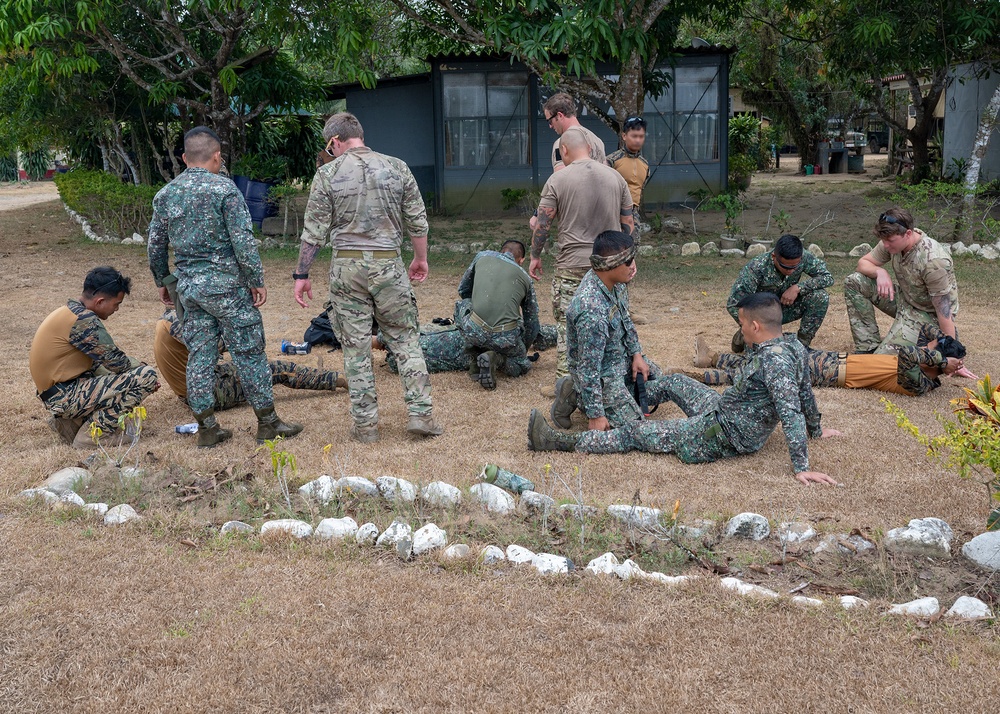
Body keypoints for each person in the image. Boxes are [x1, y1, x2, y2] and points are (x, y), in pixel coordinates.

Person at [528, 292, 842, 486]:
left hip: (723, 432)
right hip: (723, 409)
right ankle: (610, 400)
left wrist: (802, 466)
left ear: (756, 327)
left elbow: (791, 410)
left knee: (638, 433)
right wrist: (817, 429)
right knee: (674, 382)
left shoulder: (776, 361)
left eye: (743, 324)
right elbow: (804, 393)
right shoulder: (792, 346)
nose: (741, 330)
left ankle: (558, 442)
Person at [148, 125, 302, 448]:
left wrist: (164, 281)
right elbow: (243, 242)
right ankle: (268, 422)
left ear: (184, 158)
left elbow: (155, 247)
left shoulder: (165, 196)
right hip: (228, 289)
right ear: (216, 157)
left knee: (200, 356)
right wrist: (256, 280)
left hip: (190, 289)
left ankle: (206, 428)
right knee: (248, 351)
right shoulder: (226, 191)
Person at [293, 111, 442, 444]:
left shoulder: (327, 173)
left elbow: (313, 233)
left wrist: (302, 273)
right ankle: (421, 415)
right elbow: (418, 221)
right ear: (359, 134)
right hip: (389, 264)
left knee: (355, 348)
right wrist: (420, 258)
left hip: (347, 268)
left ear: (334, 142)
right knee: (405, 341)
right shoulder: (397, 167)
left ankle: (366, 426)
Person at [530, 127, 634, 390]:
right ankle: (613, 382)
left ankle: (566, 385)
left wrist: (534, 256)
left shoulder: (558, 180)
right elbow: (628, 225)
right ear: (589, 148)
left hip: (571, 264)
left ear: (563, 150)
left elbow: (542, 225)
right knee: (613, 323)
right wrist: (628, 259)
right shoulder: (616, 178)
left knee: (567, 326)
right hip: (610, 266)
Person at [30, 266, 159, 449]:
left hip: (57, 392)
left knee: (106, 372)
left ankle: (71, 426)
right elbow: (117, 362)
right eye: (116, 304)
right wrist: (141, 368)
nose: (117, 309)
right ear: (99, 301)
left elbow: (98, 363)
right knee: (147, 375)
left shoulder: (69, 312)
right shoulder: (84, 321)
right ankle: (94, 435)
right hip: (64, 396)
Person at [551, 230, 668, 430]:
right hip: (602, 374)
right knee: (635, 428)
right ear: (608, 265)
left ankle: (586, 392)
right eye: (628, 262)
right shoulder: (591, 309)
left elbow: (626, 323)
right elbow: (588, 369)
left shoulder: (616, 282)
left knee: (657, 378)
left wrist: (637, 355)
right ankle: (576, 394)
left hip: (619, 360)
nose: (634, 267)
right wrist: (596, 414)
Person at [844, 209, 970, 377]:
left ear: (908, 233)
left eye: (890, 241)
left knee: (881, 365)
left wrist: (952, 356)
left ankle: (934, 340)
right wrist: (880, 272)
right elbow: (863, 263)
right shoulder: (892, 240)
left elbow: (944, 312)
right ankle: (868, 347)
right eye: (884, 240)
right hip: (906, 300)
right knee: (855, 281)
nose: (886, 245)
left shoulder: (933, 260)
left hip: (929, 316)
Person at [689, 324, 968, 396]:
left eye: (934, 349)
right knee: (782, 348)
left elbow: (909, 352)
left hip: (834, 372)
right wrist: (944, 347)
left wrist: (944, 362)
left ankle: (708, 375)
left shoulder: (919, 383)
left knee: (770, 364)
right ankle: (713, 358)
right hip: (835, 360)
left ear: (938, 363)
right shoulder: (927, 365)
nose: (927, 345)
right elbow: (926, 332)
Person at [154, 310, 347, 409]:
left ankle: (326, 375)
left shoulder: (169, 318)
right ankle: (340, 380)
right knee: (276, 369)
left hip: (199, 386)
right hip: (206, 393)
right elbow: (213, 346)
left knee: (260, 365)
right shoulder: (176, 320)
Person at [455, 239, 540, 389]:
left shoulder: (482, 256)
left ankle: (474, 353)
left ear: (501, 250)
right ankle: (498, 360)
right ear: (522, 260)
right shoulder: (526, 278)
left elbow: (463, 290)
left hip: (474, 329)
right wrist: (522, 347)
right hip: (505, 337)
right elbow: (532, 323)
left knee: (461, 305)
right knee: (522, 366)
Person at [726, 233, 832, 352]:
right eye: (785, 267)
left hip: (785, 307)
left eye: (795, 267)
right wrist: (751, 325)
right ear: (774, 256)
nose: (791, 271)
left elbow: (827, 277)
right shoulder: (756, 267)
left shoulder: (803, 256)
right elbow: (733, 304)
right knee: (760, 357)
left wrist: (798, 288)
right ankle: (744, 337)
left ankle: (802, 346)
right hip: (760, 315)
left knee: (820, 297)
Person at [376, 323, 558, 374]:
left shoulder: (398, 360)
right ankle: (560, 335)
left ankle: (497, 357)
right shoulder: (397, 356)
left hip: (462, 347)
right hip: (468, 338)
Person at [543, 92, 606, 171]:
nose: (550, 126)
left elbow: (561, 178)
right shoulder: (598, 141)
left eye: (550, 121)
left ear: (559, 115)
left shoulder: (563, 143)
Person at [606, 116, 650, 219]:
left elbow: (641, 189)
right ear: (624, 136)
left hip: (634, 216)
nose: (638, 140)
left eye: (641, 136)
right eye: (634, 136)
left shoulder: (645, 164)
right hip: (613, 214)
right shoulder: (611, 160)